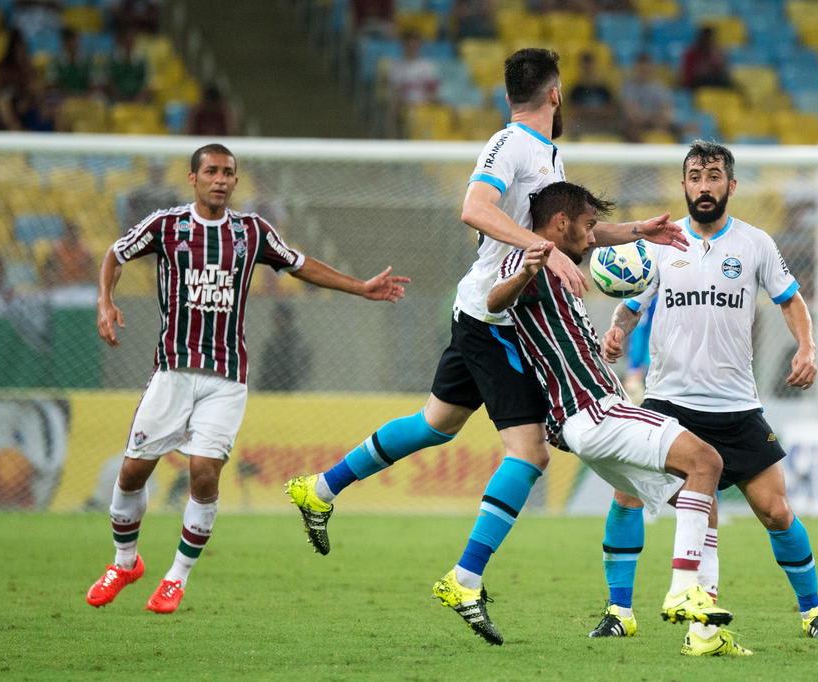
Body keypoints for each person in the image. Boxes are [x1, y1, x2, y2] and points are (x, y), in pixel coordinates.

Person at [284, 48, 687, 645]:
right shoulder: (511, 143)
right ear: (555, 95)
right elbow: (475, 207)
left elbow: (564, 230)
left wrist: (635, 231)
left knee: (435, 424)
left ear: (510, 94)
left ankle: (318, 489)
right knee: (528, 455)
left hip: (493, 312)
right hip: (498, 316)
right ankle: (465, 578)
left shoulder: (546, 154)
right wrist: (544, 253)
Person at [84, 143, 409, 615]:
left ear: (236, 181)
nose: (221, 179)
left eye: (229, 173)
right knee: (133, 470)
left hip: (226, 378)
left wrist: (359, 287)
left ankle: (176, 577)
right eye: (212, 171)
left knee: (202, 471)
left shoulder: (251, 233)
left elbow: (300, 264)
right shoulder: (166, 226)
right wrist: (105, 302)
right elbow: (114, 254)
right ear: (193, 178)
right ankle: (125, 562)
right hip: (172, 371)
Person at [488, 181, 747, 656]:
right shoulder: (529, 263)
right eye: (587, 227)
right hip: (594, 412)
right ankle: (680, 589)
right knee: (706, 462)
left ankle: (704, 634)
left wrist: (605, 341)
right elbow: (494, 301)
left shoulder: (561, 270)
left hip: (596, 412)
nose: (591, 238)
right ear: (560, 224)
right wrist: (525, 271)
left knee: (700, 496)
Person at [601, 141, 818, 642]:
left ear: (731, 186)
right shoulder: (660, 246)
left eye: (714, 176)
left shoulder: (754, 244)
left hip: (736, 406)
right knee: (627, 493)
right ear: (684, 185)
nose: (704, 186)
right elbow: (631, 306)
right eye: (695, 176)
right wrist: (617, 330)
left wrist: (807, 347)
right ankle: (619, 612)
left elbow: (790, 299)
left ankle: (814, 611)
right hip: (669, 403)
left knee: (776, 512)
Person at [620, 53, 678, 143]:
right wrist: (653, 116)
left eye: (646, 69)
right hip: (636, 126)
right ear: (635, 69)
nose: (644, 72)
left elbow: (667, 112)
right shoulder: (628, 87)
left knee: (680, 127)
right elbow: (631, 114)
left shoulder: (660, 88)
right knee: (632, 125)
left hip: (654, 123)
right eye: (641, 69)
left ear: (652, 68)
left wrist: (654, 118)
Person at [258, 302, 312, 391]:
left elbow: (299, 371)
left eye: (279, 317)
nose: (276, 320)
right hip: (270, 388)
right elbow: (265, 370)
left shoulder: (296, 342)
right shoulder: (273, 341)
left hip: (289, 389)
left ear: (288, 319)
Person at [568, 51, 617, 137]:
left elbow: (611, 110)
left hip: (602, 124)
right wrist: (596, 112)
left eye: (590, 68)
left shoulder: (603, 88)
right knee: (571, 128)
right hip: (584, 125)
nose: (588, 71)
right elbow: (573, 112)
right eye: (585, 69)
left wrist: (587, 111)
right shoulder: (576, 89)